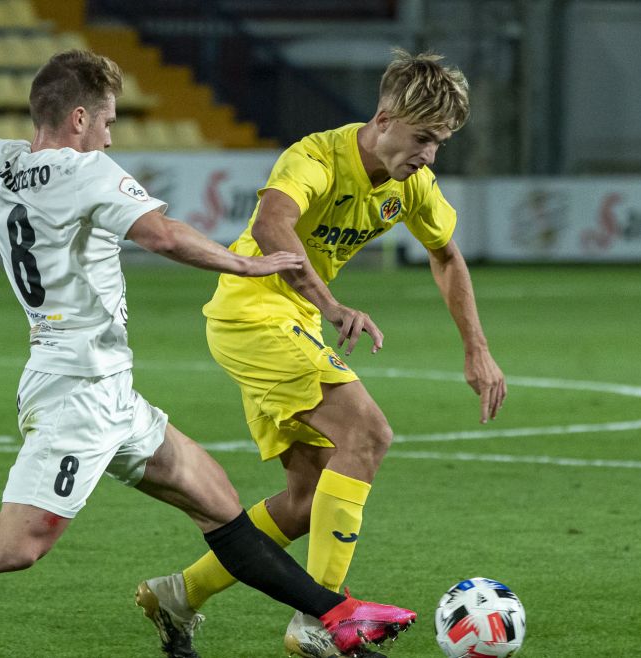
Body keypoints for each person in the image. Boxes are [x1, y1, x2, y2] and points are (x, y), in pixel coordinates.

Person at [0, 2, 418, 657]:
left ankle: (338, 615)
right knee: (17, 545)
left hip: (104, 389)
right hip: (77, 391)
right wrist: (246, 261)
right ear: (79, 119)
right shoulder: (83, 169)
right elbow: (163, 234)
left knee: (219, 507)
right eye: (109, 122)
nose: (112, 138)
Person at [135, 50, 507, 658]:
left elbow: (445, 254)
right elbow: (272, 225)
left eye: (440, 143)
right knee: (367, 433)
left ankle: (178, 594)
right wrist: (333, 306)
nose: (430, 155)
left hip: (290, 320)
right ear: (384, 118)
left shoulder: (411, 184)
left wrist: (478, 351)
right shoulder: (315, 157)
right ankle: (325, 622)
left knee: (309, 500)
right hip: (253, 312)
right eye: (423, 138)